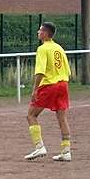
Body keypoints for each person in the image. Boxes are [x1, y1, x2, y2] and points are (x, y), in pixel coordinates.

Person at [24, 22, 72, 161]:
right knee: (62, 117)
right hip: (63, 84)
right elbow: (68, 71)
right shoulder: (59, 48)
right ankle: (66, 151)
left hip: (49, 85)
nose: (38, 32)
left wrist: (35, 90)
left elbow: (40, 71)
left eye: (40, 30)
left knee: (31, 115)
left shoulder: (42, 49)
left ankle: (39, 147)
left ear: (45, 33)